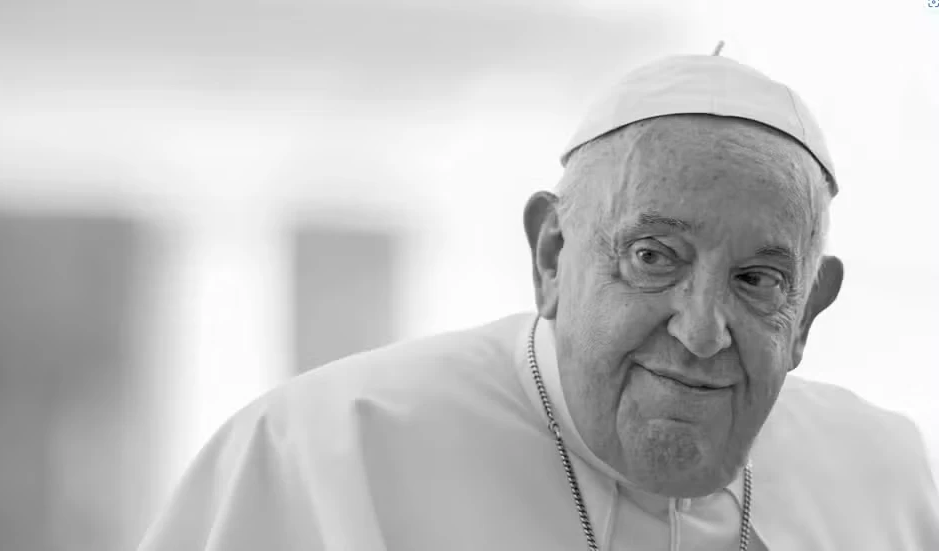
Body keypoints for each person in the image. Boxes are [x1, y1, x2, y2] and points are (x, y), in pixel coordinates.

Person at [137, 53, 939, 550]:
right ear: (551, 255)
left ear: (808, 313)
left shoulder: (884, 476)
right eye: (653, 256)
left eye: (757, 280)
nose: (701, 331)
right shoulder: (322, 451)